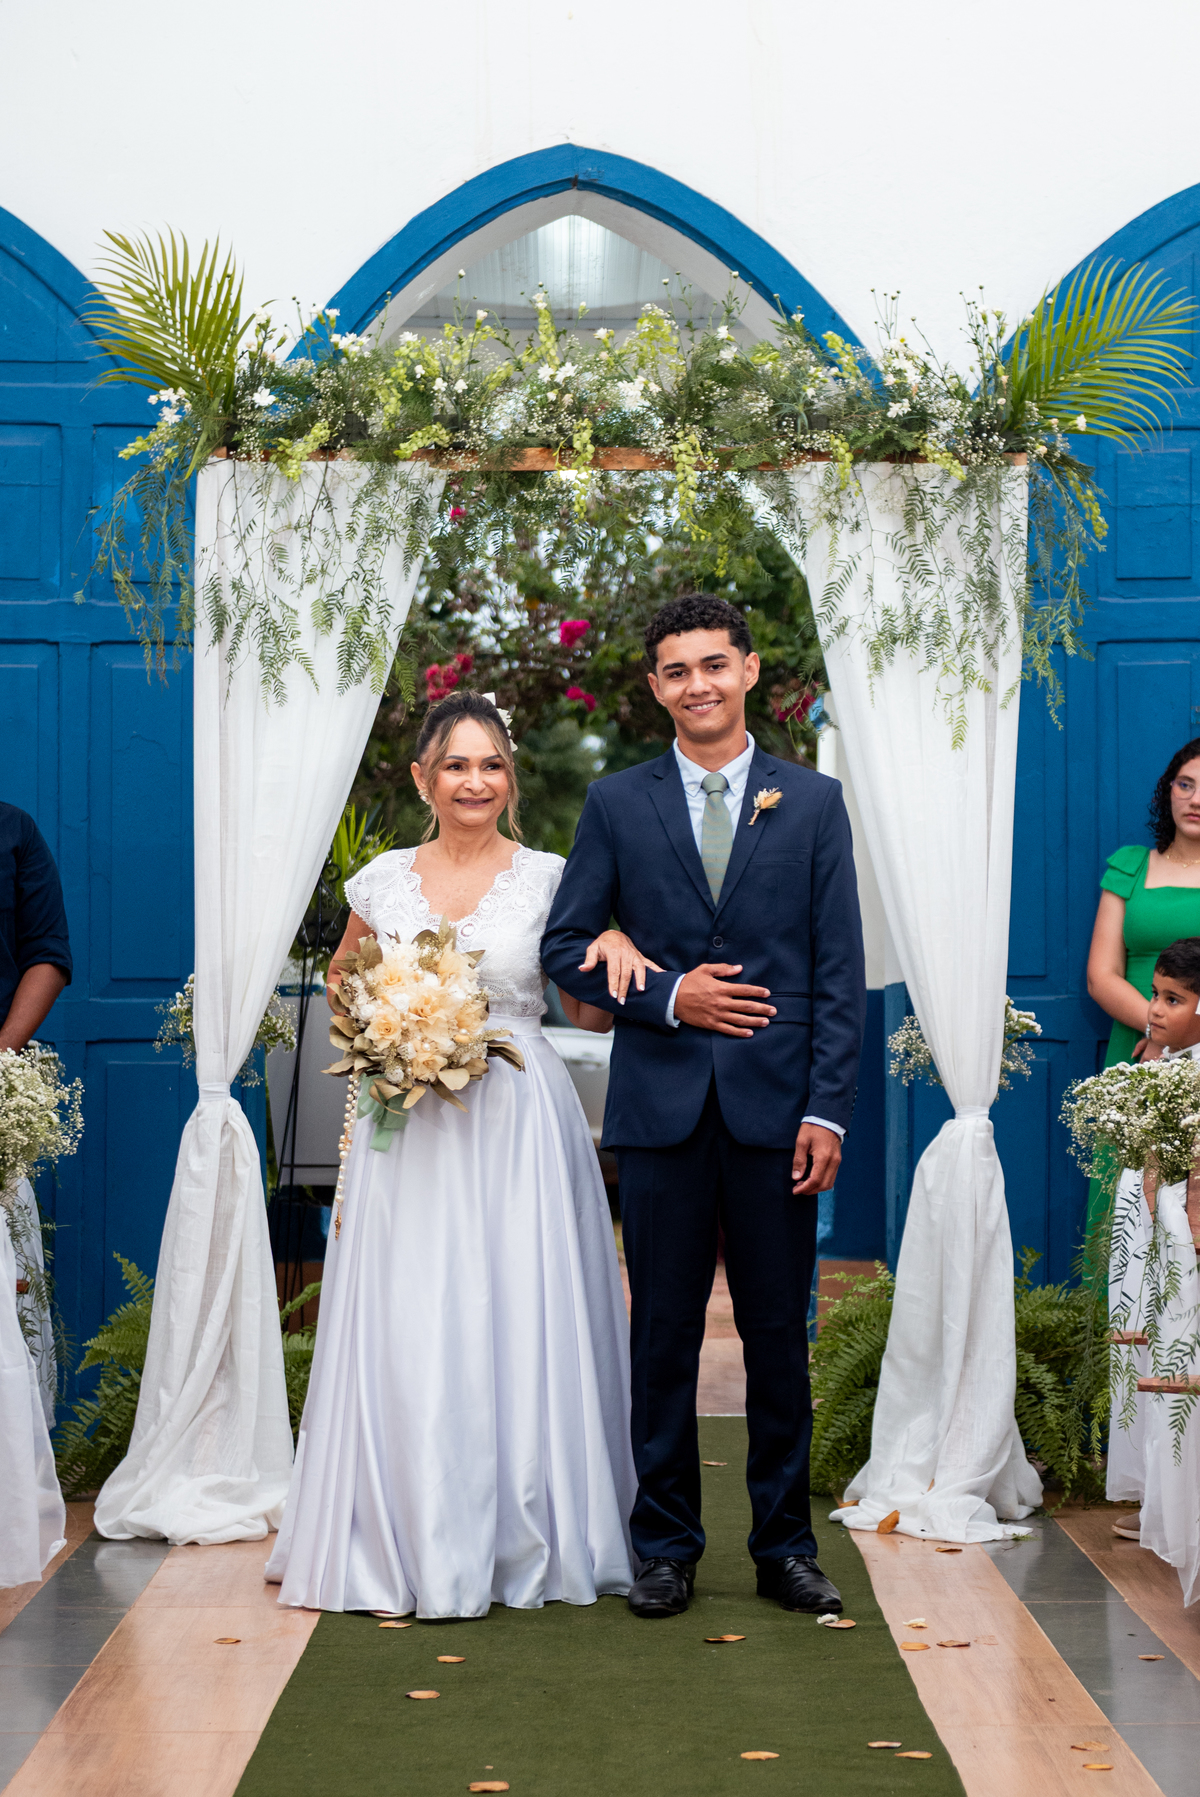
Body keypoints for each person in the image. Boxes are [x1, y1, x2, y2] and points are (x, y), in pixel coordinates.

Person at [266, 691, 636, 1619]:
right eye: (457, 765)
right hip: (410, 1123)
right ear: (425, 778)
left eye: (493, 765)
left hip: (518, 1120)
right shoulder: (383, 881)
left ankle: (529, 1526)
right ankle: (404, 1520)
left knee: (520, 1302)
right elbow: (346, 982)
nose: (476, 781)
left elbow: (586, 1007)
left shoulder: (553, 876)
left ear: (511, 779)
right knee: (413, 1305)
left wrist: (617, 937)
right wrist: (391, 1030)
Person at [542, 594, 865, 1619]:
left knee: (778, 1335)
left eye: (714, 665)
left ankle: (784, 1547)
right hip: (661, 1113)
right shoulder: (616, 803)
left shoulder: (811, 804)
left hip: (780, 1119)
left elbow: (836, 973)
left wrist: (828, 1112)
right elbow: (564, 946)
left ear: (751, 670)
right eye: (677, 670)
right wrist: (670, 993)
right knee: (663, 1337)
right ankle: (666, 1548)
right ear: (655, 688)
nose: (698, 684)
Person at [1107, 938, 1200, 1597]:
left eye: (1174, 998)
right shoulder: (1161, 1068)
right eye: (1155, 994)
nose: (1156, 1009)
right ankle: (1160, 1500)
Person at [1086, 738, 1200, 1248]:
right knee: (1130, 1203)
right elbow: (1101, 974)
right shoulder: (1130, 867)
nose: (1196, 799)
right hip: (1136, 1052)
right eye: (1186, 784)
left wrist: (1178, 1041)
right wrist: (1156, 1033)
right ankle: (1123, 1328)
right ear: (1168, 792)